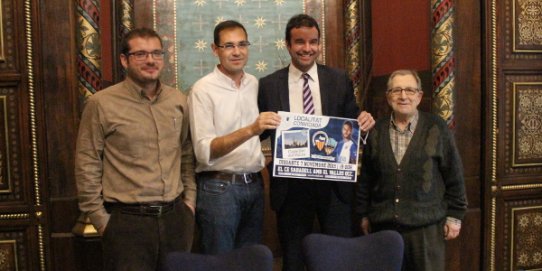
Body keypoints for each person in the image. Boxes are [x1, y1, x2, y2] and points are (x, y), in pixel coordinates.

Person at [258, 14, 375, 271]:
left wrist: (363, 121)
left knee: (338, 257)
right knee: (294, 257)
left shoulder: (338, 79)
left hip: (334, 186)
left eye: (313, 42)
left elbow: (351, 118)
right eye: (300, 42)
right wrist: (258, 125)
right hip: (291, 188)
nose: (307, 48)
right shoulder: (268, 85)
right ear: (287, 45)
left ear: (319, 44)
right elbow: (259, 135)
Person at [75, 27, 196, 271]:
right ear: (124, 60)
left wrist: (189, 203)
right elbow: (87, 162)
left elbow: (185, 153)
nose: (150, 60)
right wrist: (101, 220)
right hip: (127, 224)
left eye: (156, 53)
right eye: (140, 54)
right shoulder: (102, 104)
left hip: (175, 218)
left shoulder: (178, 100)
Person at [356, 69, 468, 271]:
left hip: (426, 230)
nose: (403, 96)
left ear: (419, 95)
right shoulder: (376, 130)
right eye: (396, 90)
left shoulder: (437, 128)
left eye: (409, 90)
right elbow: (367, 178)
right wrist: (363, 214)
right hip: (384, 228)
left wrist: (455, 216)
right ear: (388, 96)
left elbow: (454, 175)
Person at [188, 20, 280, 255]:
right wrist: (251, 129)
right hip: (219, 189)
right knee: (220, 263)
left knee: (250, 261)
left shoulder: (255, 84)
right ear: (214, 49)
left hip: (255, 186)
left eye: (242, 44)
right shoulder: (202, 90)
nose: (237, 52)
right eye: (228, 46)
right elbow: (204, 151)